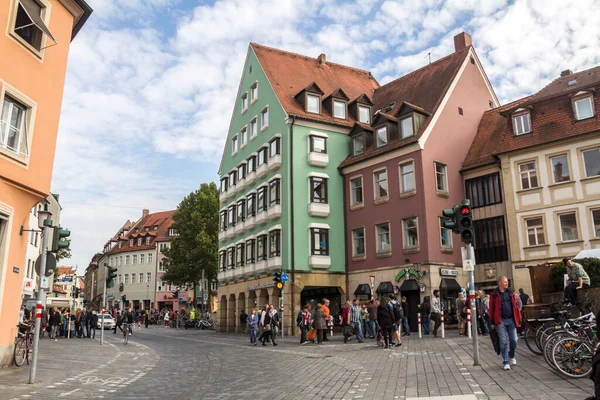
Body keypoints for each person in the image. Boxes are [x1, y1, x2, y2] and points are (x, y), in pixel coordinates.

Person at [489, 276, 522, 370]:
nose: (507, 283)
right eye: (505, 282)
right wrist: (492, 322)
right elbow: (491, 309)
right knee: (503, 342)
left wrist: (519, 318)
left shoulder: (511, 293)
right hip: (500, 321)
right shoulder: (494, 294)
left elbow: (516, 307)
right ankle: (506, 361)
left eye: (507, 282)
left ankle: (511, 355)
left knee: (514, 339)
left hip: (511, 319)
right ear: (500, 283)